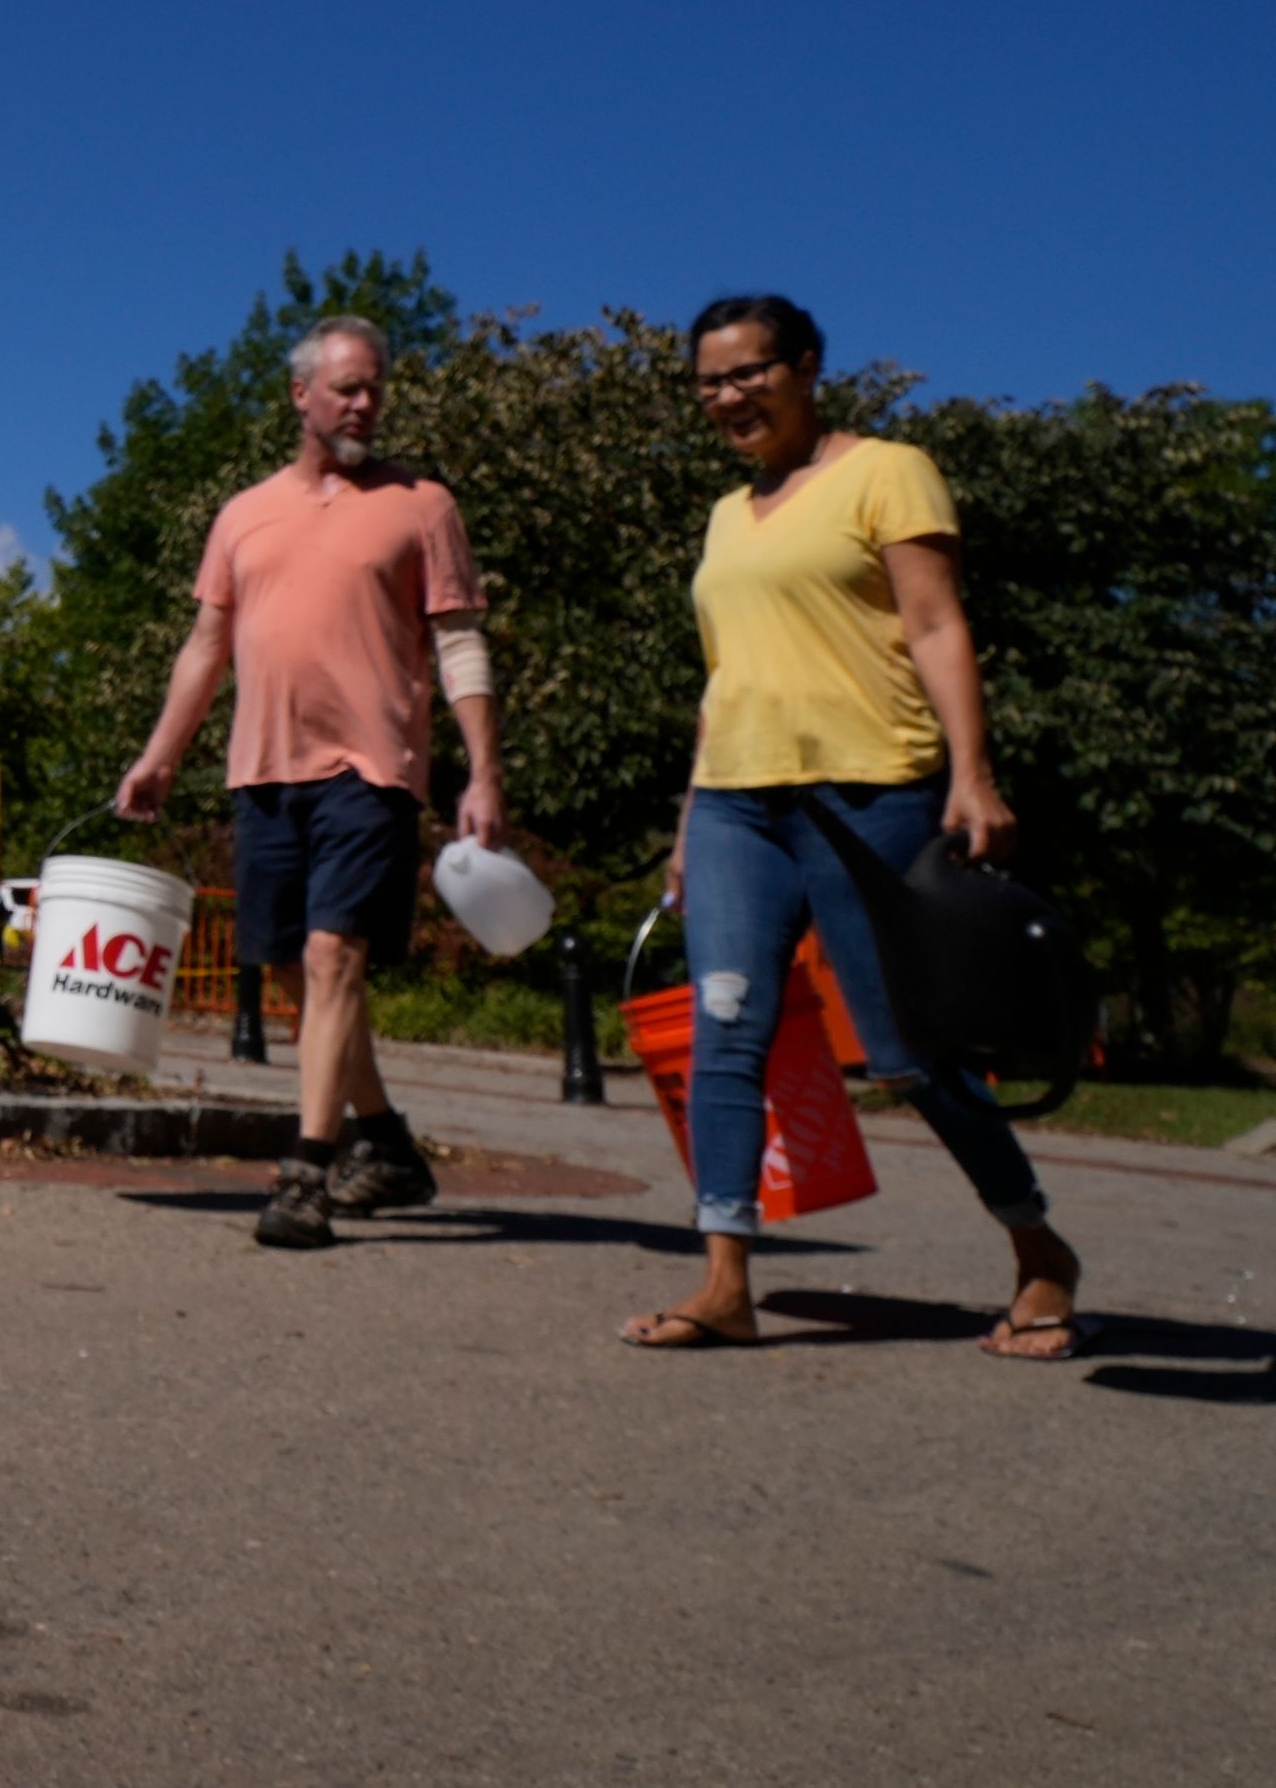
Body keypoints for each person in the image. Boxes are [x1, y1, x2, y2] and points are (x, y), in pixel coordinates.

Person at [617, 295, 1079, 1359]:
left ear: (807, 367)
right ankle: (725, 1281)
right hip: (738, 800)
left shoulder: (888, 469)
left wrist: (974, 773)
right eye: (708, 383)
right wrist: (690, 818)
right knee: (728, 1034)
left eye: (748, 372)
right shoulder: (729, 514)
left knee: (907, 1055)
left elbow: (934, 621)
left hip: (869, 794)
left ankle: (1039, 1249)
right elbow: (724, 678)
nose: (729, 396)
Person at [116, 316, 508, 1249]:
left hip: (372, 769)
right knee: (296, 966)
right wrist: (162, 753)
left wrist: (483, 768)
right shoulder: (244, 514)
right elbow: (206, 645)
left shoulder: (422, 505)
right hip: (263, 770)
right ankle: (386, 1144)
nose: (365, 403)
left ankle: (306, 1174)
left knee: (336, 958)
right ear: (301, 395)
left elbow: (459, 641)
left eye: (375, 387)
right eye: (346, 388)